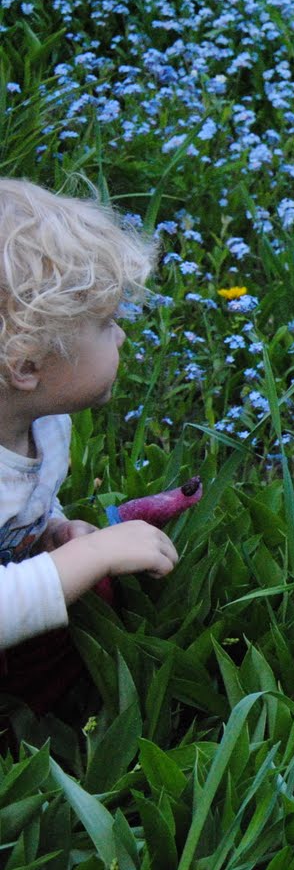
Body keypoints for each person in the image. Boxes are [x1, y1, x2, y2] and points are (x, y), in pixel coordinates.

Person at [0, 179, 180, 713]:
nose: (121, 336)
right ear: (26, 365)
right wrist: (91, 554)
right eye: (105, 324)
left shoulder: (44, 421)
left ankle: (50, 721)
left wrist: (51, 531)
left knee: (87, 593)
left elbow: (30, 492)